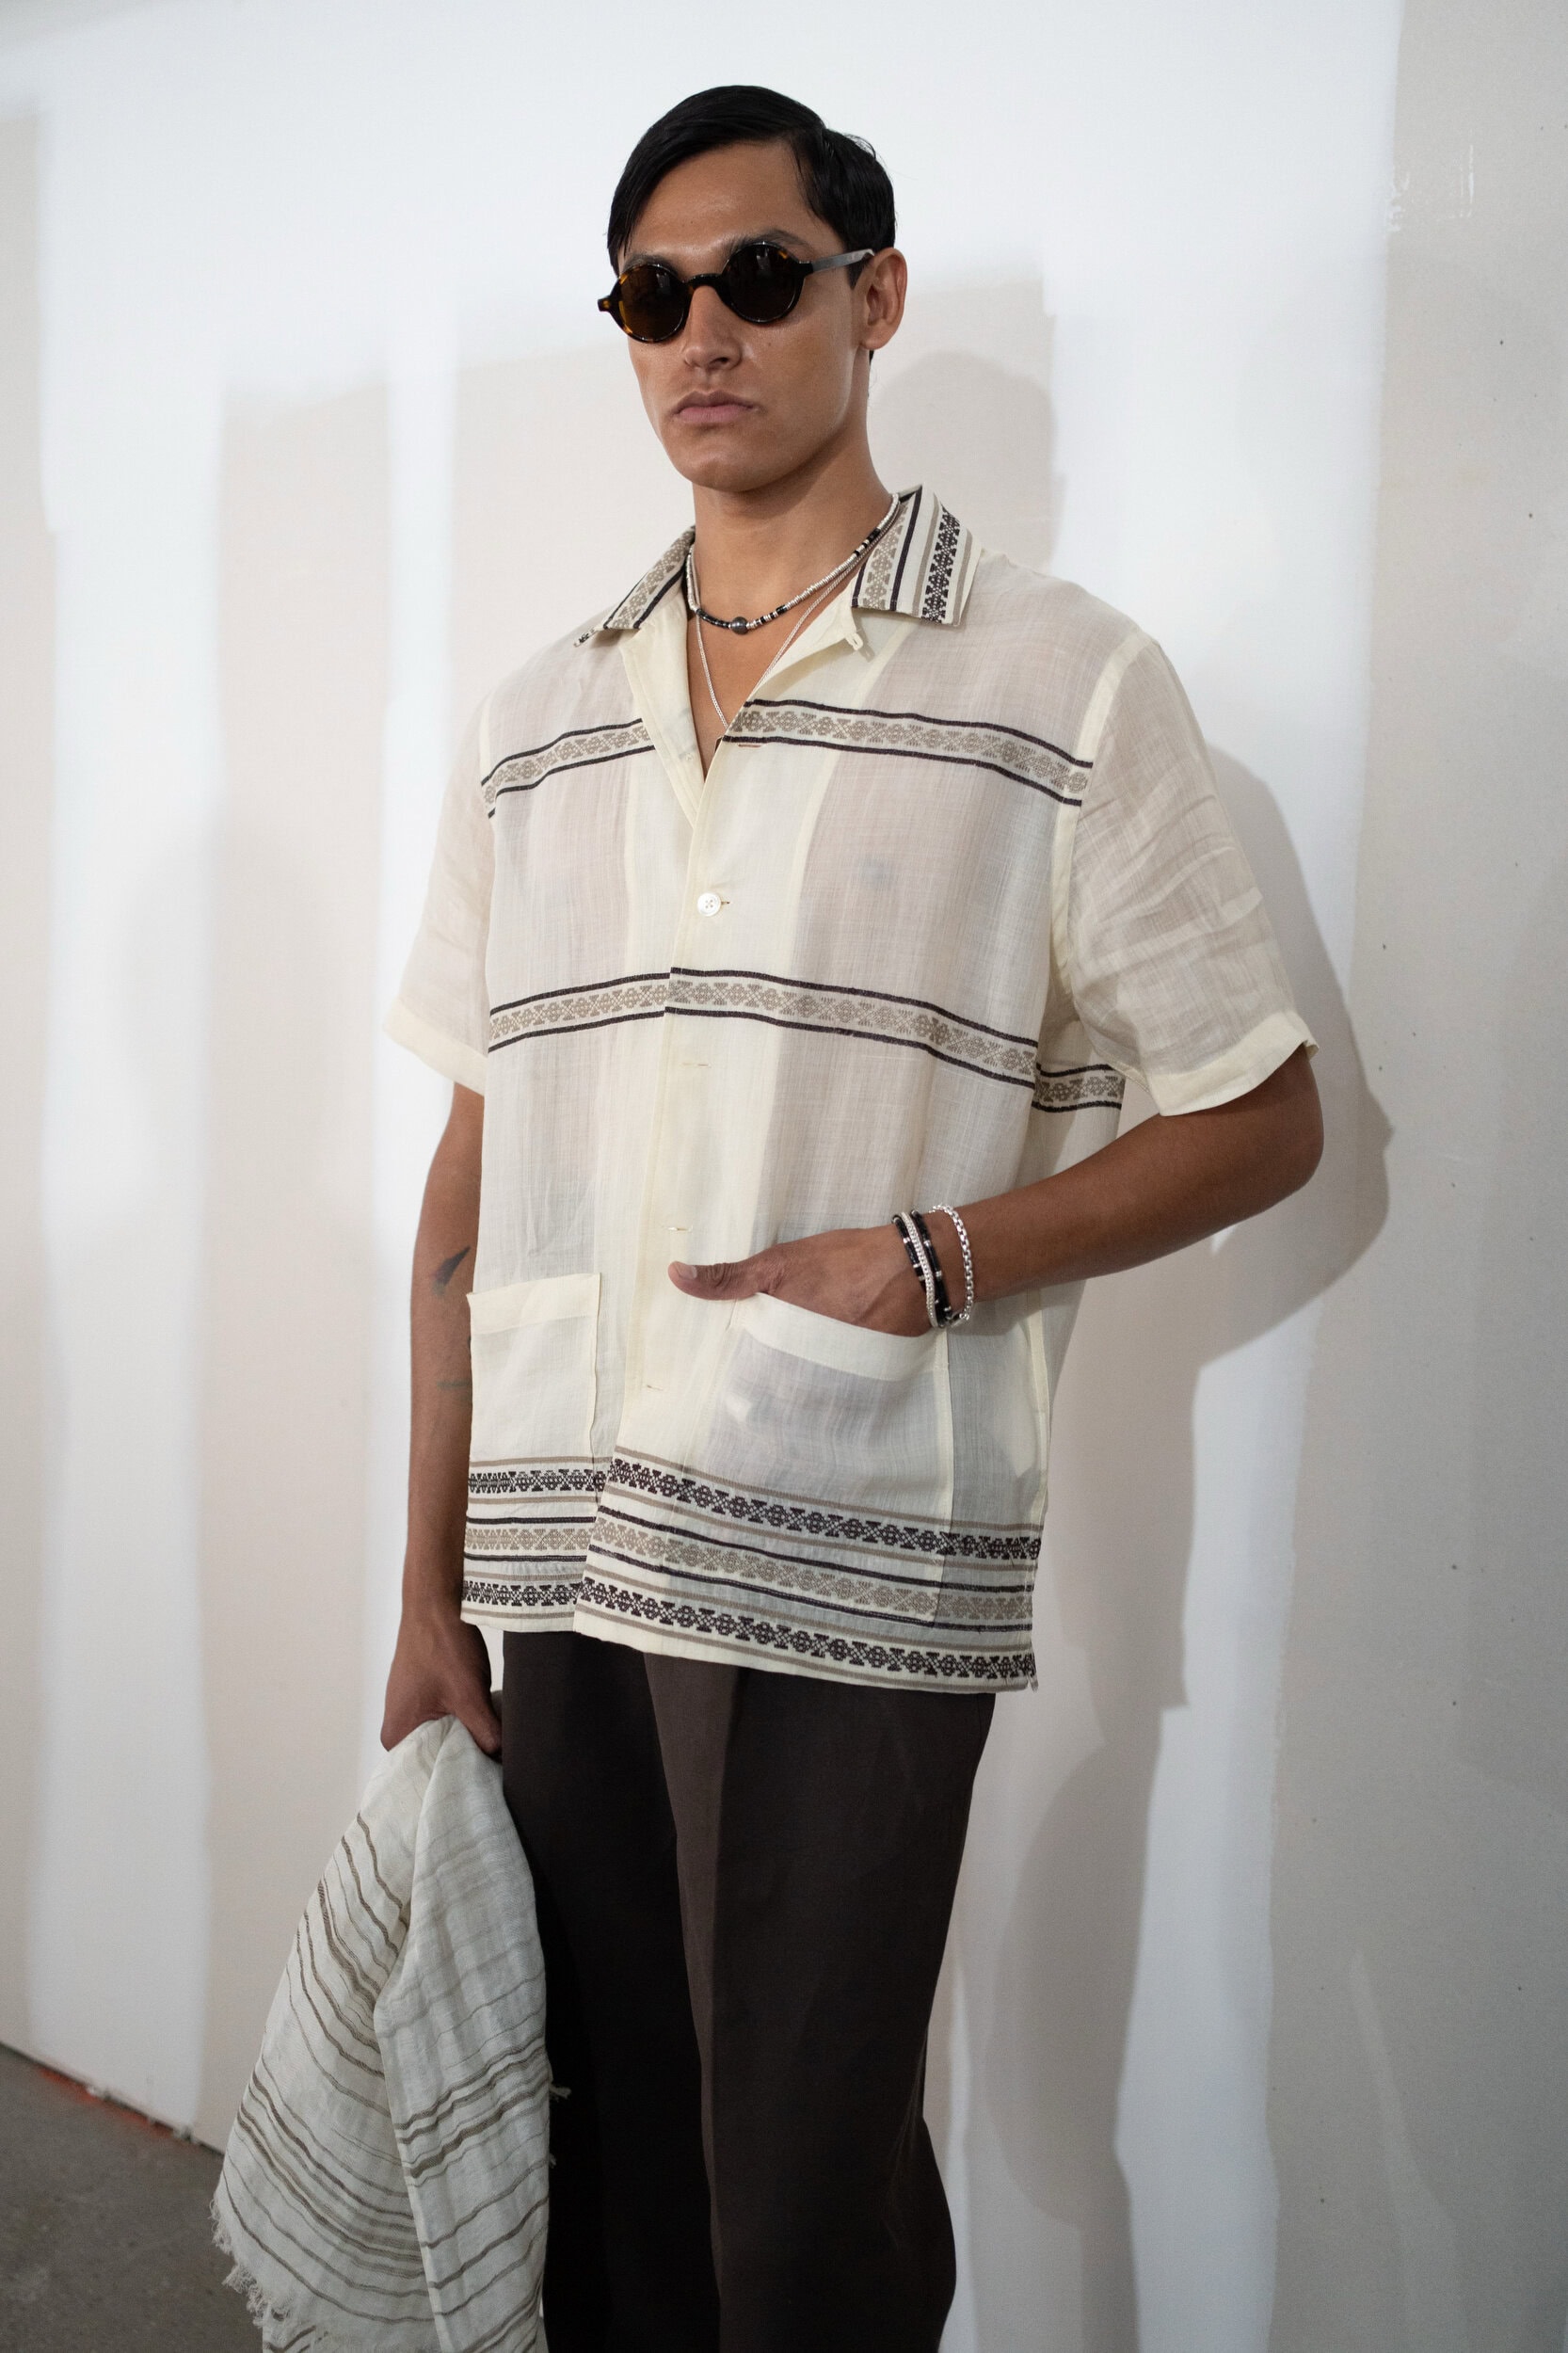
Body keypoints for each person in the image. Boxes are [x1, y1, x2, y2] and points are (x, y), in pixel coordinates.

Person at [379, 83, 1321, 2353]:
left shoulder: (1057, 682)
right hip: (559, 1551)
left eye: (754, 276)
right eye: (650, 295)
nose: (698, 330)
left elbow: (1260, 1114)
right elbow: (474, 1173)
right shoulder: (538, 721)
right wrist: (421, 1580)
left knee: (796, 2205)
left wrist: (934, 1256)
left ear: (869, 296)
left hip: (847, 1548)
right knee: (594, 2158)